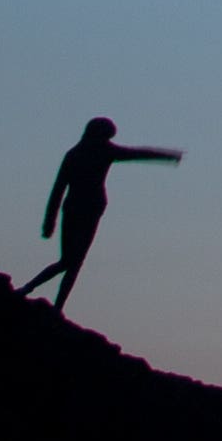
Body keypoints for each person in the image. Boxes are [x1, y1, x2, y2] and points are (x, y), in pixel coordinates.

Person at [20, 115, 184, 314]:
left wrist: (50, 221)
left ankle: (40, 296)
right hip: (86, 209)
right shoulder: (101, 151)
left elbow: (57, 190)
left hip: (77, 207)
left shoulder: (76, 153)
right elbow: (138, 153)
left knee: (69, 261)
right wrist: (168, 156)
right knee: (72, 262)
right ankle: (47, 301)